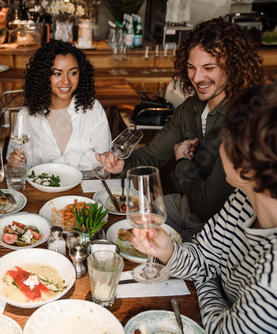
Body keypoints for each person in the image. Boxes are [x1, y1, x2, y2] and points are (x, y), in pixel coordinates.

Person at [132, 82, 277, 333]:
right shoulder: (244, 198)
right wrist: (169, 251)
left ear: (244, 169)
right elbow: (204, 258)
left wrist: (207, 279)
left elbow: (222, 329)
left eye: (225, 139)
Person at [97, 17, 264, 241]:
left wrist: (182, 162)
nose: (196, 77)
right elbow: (151, 155)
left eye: (209, 68)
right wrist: (122, 164)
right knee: (116, 233)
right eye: (191, 68)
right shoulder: (190, 109)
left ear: (232, 67)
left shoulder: (243, 121)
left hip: (222, 232)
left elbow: (207, 206)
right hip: (182, 207)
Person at [7, 40, 111, 171]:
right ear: (44, 76)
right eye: (57, 73)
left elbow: (102, 160)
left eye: (73, 73)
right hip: (40, 190)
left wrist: (51, 166)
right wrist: (16, 163)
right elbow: (15, 165)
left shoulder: (93, 109)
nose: (66, 81)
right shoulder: (26, 116)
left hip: (83, 189)